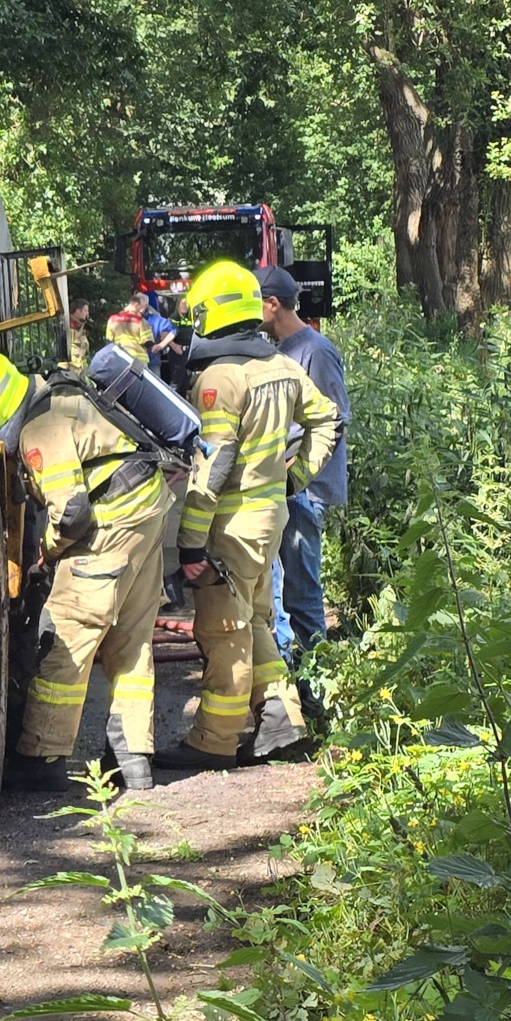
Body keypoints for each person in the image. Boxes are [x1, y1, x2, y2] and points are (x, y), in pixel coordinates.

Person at [0, 350, 169, 792]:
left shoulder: (38, 429)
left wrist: (47, 551)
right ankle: (132, 760)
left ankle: (43, 756)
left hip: (111, 524)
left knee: (66, 635)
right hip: (147, 509)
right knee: (132, 641)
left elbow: (73, 515)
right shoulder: (63, 395)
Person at [154, 260, 343, 772]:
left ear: (211, 313)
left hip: (232, 526)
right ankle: (284, 721)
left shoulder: (221, 378)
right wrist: (296, 477)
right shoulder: (282, 366)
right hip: (272, 515)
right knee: (257, 617)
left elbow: (209, 472)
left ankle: (213, 740)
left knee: (223, 628)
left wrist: (191, 545)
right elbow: (330, 419)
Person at [255, 265, 348, 671]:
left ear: (273, 304)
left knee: (301, 592)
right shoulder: (274, 350)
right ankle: (289, 683)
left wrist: (296, 475)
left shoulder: (316, 350)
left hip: (305, 492)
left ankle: (316, 689)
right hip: (283, 490)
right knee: (275, 591)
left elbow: (336, 418)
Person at [61, 299, 93, 366]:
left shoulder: (80, 326)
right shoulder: (67, 324)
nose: (87, 313)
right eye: (85, 310)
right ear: (77, 311)